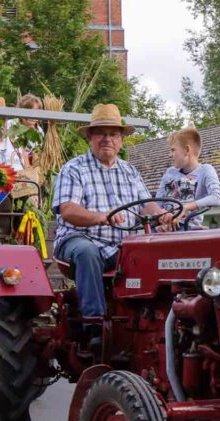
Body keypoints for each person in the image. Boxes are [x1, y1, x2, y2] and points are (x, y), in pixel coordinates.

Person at [53, 103, 165, 321]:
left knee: (159, 252)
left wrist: (163, 214)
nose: (107, 139)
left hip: (123, 247)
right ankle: (94, 323)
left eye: (113, 134)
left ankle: (152, 317)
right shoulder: (74, 169)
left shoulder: (130, 171)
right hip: (80, 239)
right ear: (90, 138)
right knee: (87, 252)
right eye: (101, 134)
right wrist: (102, 217)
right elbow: (68, 210)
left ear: (121, 140)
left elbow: (146, 204)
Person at [155, 127, 220, 230]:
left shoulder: (205, 171)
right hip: (165, 230)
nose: (170, 155)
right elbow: (157, 204)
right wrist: (161, 216)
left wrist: (186, 207)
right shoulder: (169, 173)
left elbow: (218, 197)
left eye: (173, 150)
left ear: (187, 150)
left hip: (187, 228)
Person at [0, 96, 25, 172]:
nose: (1, 122)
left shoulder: (14, 134)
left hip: (18, 178)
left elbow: (24, 161)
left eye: (3, 118)